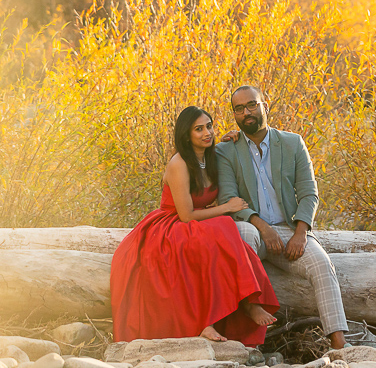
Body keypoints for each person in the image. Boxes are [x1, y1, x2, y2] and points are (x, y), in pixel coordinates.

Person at [111, 106, 280, 344]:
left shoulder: (211, 156)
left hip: (196, 219)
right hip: (171, 225)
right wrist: (226, 207)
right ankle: (210, 320)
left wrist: (236, 138)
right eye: (198, 129)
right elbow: (187, 215)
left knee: (224, 233)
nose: (206, 133)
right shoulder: (179, 163)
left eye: (209, 126)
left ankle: (247, 303)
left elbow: (239, 154)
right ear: (186, 135)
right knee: (221, 228)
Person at [215, 86, 348, 349]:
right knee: (243, 233)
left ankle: (340, 344)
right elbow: (227, 199)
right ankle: (250, 315)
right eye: (239, 109)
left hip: (289, 229)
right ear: (234, 115)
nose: (246, 113)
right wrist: (263, 227)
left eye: (252, 105)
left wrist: (300, 233)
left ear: (266, 106)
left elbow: (309, 193)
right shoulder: (226, 151)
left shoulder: (292, 142)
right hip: (254, 230)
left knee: (322, 264)